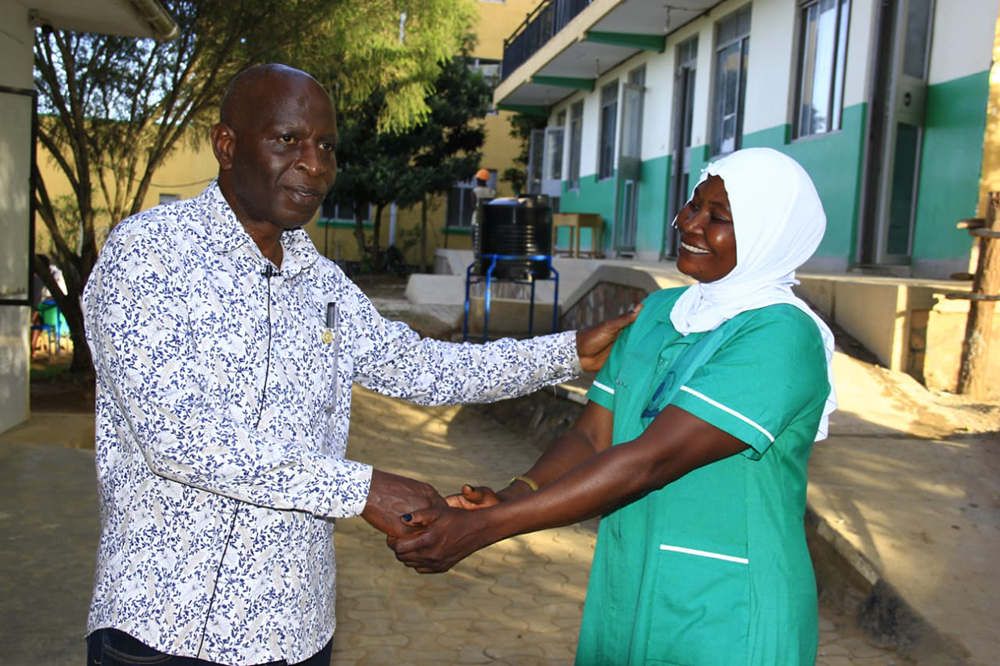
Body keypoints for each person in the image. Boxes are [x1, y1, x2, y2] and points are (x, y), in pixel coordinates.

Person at [82, 63, 638, 666]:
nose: (314, 164)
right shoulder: (149, 255)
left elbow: (422, 366)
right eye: (287, 140)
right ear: (227, 145)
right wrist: (363, 488)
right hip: (165, 627)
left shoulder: (319, 281)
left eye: (326, 146)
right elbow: (180, 440)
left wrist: (568, 352)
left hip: (293, 628)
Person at [391, 147, 838, 665]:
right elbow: (591, 436)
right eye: (693, 204)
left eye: (717, 217)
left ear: (769, 234)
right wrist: (512, 496)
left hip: (728, 610)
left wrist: (490, 527)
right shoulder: (661, 312)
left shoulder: (781, 336)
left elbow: (651, 461)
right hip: (629, 587)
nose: (688, 223)